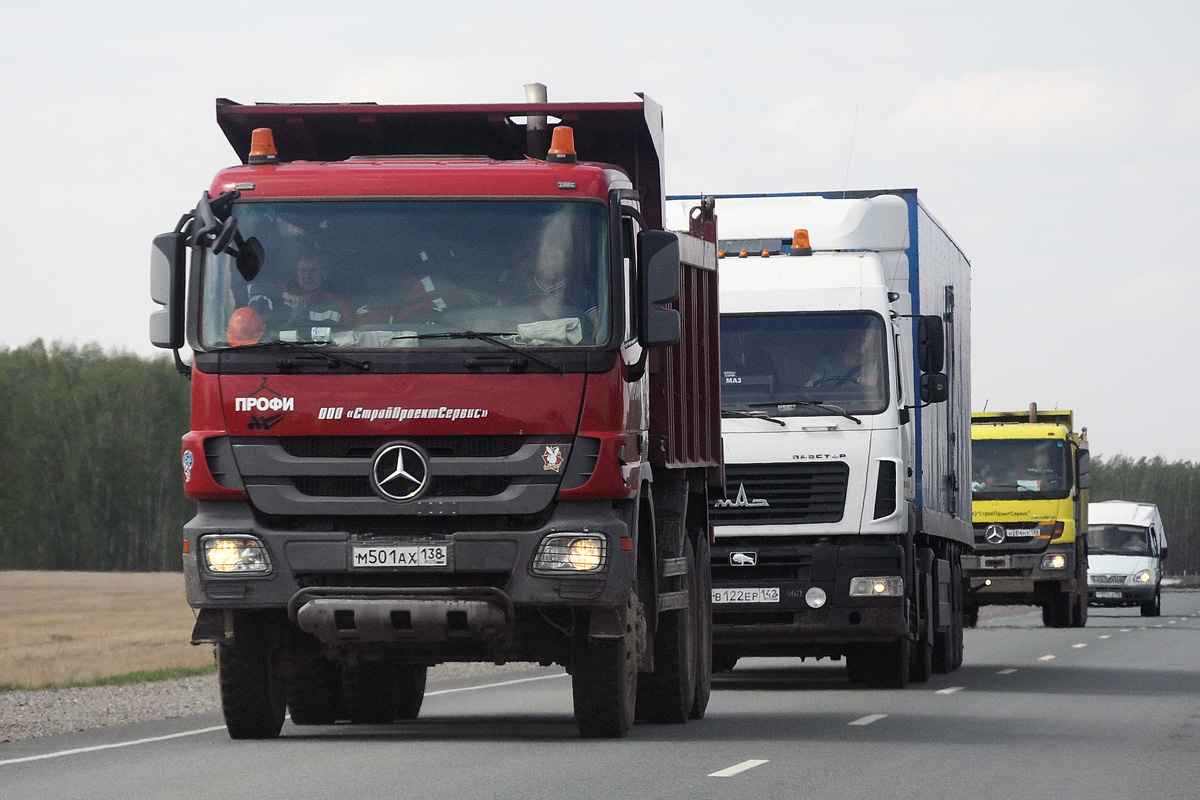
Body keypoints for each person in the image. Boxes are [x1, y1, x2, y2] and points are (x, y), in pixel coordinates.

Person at [805, 330, 875, 388]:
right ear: (848, 340)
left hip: (857, 404)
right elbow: (815, 381)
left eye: (866, 341)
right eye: (858, 339)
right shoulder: (827, 361)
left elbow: (872, 387)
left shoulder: (868, 364)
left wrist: (865, 383)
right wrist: (811, 384)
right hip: (827, 403)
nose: (862, 343)